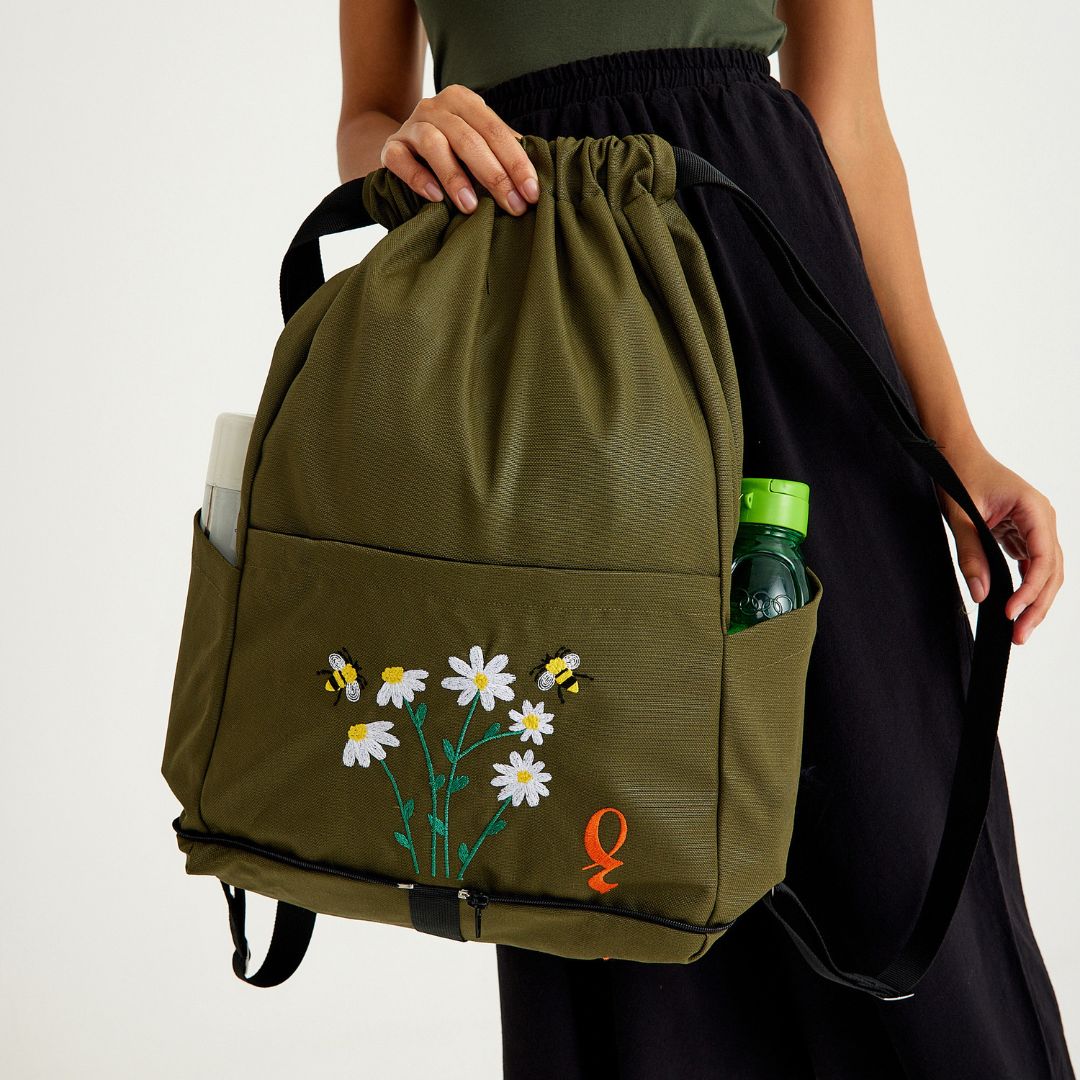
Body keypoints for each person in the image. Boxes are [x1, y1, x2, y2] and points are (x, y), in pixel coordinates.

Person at [335, 2, 1072, 1076]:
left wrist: (952, 444)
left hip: (772, 297)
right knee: (617, 879)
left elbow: (847, 122)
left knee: (889, 815)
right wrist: (404, 147)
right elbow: (366, 115)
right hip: (542, 332)